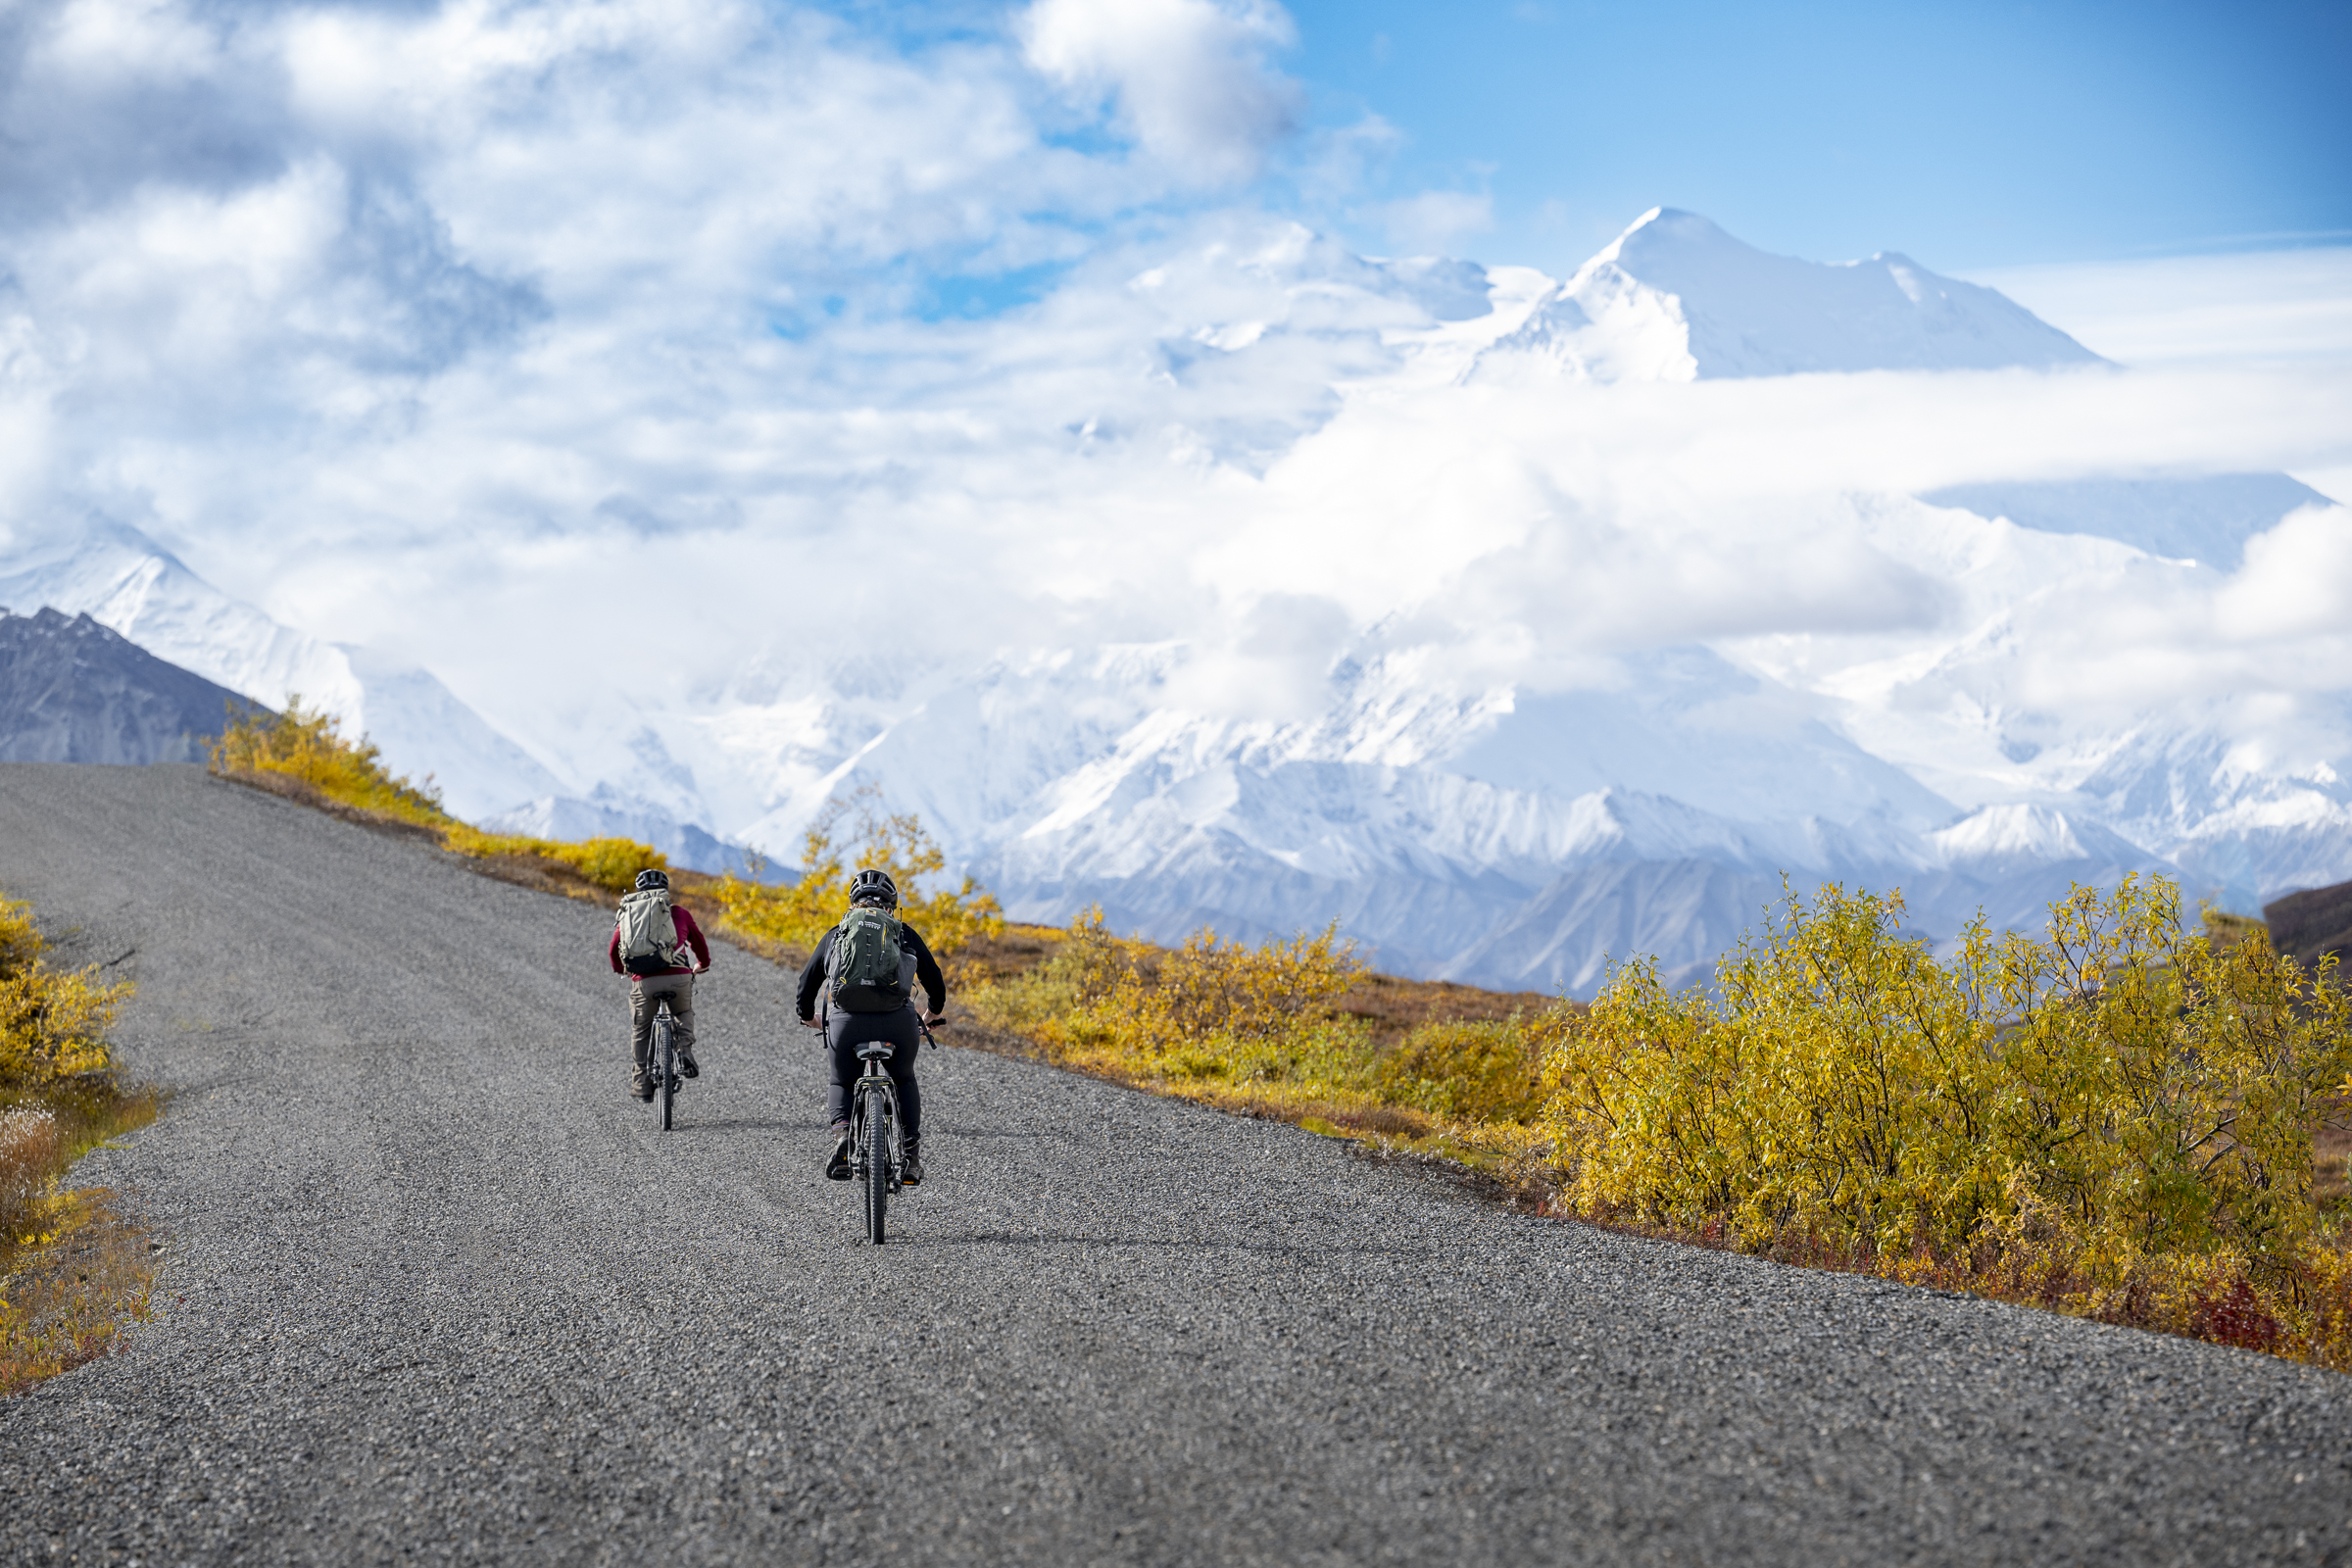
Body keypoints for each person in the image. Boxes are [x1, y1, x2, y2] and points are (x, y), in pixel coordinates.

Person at [796, 867, 946, 1186]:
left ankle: (842, 1140)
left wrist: (809, 1016)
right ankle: (911, 1158)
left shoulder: (837, 933)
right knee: (904, 1078)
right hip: (897, 1023)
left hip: (846, 1024)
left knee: (841, 1081)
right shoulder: (902, 932)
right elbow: (935, 982)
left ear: (853, 905)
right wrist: (931, 1015)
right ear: (891, 907)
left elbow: (806, 984)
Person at [608, 868, 711, 1101]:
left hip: (644, 982)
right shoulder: (680, 913)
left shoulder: (628, 915)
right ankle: (684, 1049)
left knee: (641, 1029)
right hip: (679, 977)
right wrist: (702, 964)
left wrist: (620, 969)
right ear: (666, 891)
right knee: (683, 1011)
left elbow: (614, 948)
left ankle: (641, 1084)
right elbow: (699, 942)